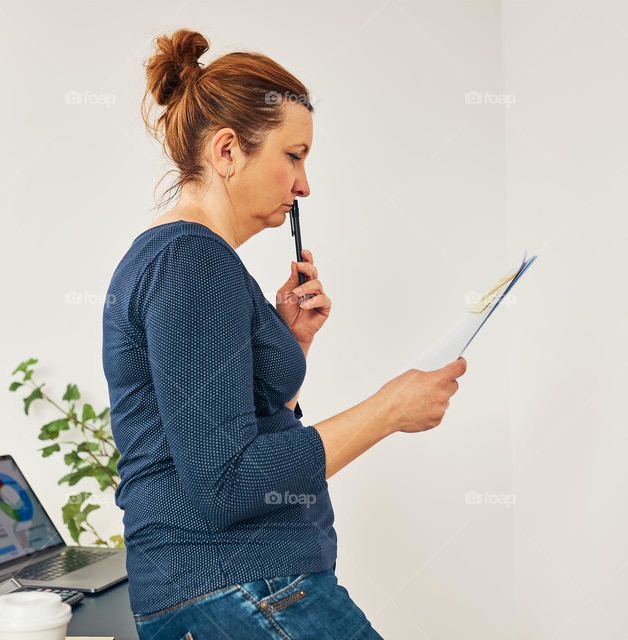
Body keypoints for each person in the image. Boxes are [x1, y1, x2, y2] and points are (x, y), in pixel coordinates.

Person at [102, 28, 468, 640]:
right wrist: (389, 409)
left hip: (238, 589)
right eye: (293, 157)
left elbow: (213, 430)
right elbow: (227, 483)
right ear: (227, 151)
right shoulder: (192, 262)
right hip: (239, 585)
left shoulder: (192, 261)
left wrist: (290, 346)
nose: (304, 186)